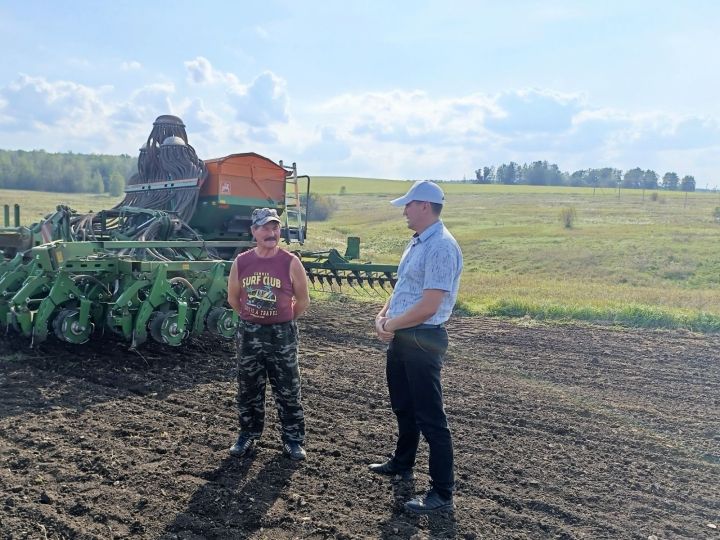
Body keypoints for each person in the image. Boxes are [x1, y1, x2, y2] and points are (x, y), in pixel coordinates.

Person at [370, 180, 463, 514]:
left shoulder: (441, 246)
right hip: (402, 336)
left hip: (423, 339)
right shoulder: (417, 243)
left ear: (424, 206)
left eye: (408, 205)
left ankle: (441, 493)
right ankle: (403, 461)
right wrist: (383, 316)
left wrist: (390, 325)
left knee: (430, 417)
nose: (404, 211)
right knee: (403, 406)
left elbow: (428, 305)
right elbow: (404, 290)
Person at [227, 207, 310, 461]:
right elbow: (233, 298)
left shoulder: (291, 262)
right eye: (264, 227)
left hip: (281, 335)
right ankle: (248, 434)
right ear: (254, 231)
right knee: (248, 387)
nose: (271, 232)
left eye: (274, 227)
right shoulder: (242, 262)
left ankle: (293, 439)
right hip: (250, 334)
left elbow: (303, 300)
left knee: (288, 387)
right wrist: (252, 318)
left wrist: (283, 320)